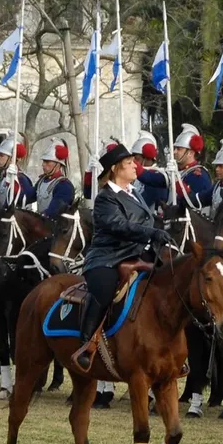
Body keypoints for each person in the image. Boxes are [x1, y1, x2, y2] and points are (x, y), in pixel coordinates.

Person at [71, 143, 172, 372]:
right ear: (116, 169)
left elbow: (146, 220)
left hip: (138, 253)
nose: (136, 166)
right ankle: (86, 344)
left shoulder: (134, 193)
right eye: (129, 163)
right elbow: (118, 225)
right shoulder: (105, 198)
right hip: (108, 257)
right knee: (104, 290)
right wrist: (151, 233)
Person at [170, 123, 212, 210]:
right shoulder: (180, 171)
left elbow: (195, 205)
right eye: (175, 148)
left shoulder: (198, 175)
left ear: (190, 153)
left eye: (179, 149)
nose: (174, 152)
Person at [33, 137, 75, 218]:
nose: (43, 164)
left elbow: (54, 210)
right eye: (43, 161)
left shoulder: (64, 185)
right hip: (40, 223)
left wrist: (35, 218)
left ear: (58, 164)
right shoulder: (42, 181)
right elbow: (28, 197)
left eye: (47, 161)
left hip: (55, 224)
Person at [0, 133, 35, 208]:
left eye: (1, 155)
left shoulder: (21, 178)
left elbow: (25, 200)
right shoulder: (4, 176)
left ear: (12, 158)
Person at [130, 131, 171, 209]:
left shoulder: (157, 175)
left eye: (137, 159)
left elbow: (143, 203)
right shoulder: (139, 175)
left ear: (146, 157)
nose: (134, 163)